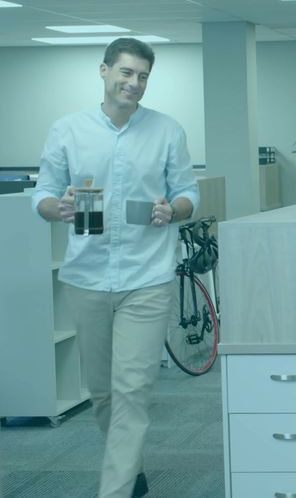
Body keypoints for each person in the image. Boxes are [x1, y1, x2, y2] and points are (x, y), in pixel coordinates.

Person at [32, 38, 200, 497]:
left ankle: (115, 489)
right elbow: (42, 193)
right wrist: (57, 208)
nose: (135, 83)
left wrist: (175, 209)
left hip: (147, 278)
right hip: (86, 277)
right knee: (103, 393)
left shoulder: (167, 131)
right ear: (104, 71)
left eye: (143, 76)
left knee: (132, 389)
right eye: (126, 72)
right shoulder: (67, 130)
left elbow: (189, 191)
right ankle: (132, 470)